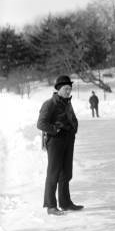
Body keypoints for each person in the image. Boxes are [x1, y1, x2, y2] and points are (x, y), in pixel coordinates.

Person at [36, 75, 83, 215]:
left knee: (66, 173)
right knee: (53, 173)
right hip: (55, 141)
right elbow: (41, 123)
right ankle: (51, 206)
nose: (68, 91)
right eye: (66, 88)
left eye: (70, 88)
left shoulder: (67, 103)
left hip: (68, 140)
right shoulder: (49, 103)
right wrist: (55, 129)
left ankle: (65, 203)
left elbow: (72, 119)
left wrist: (74, 129)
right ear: (58, 89)